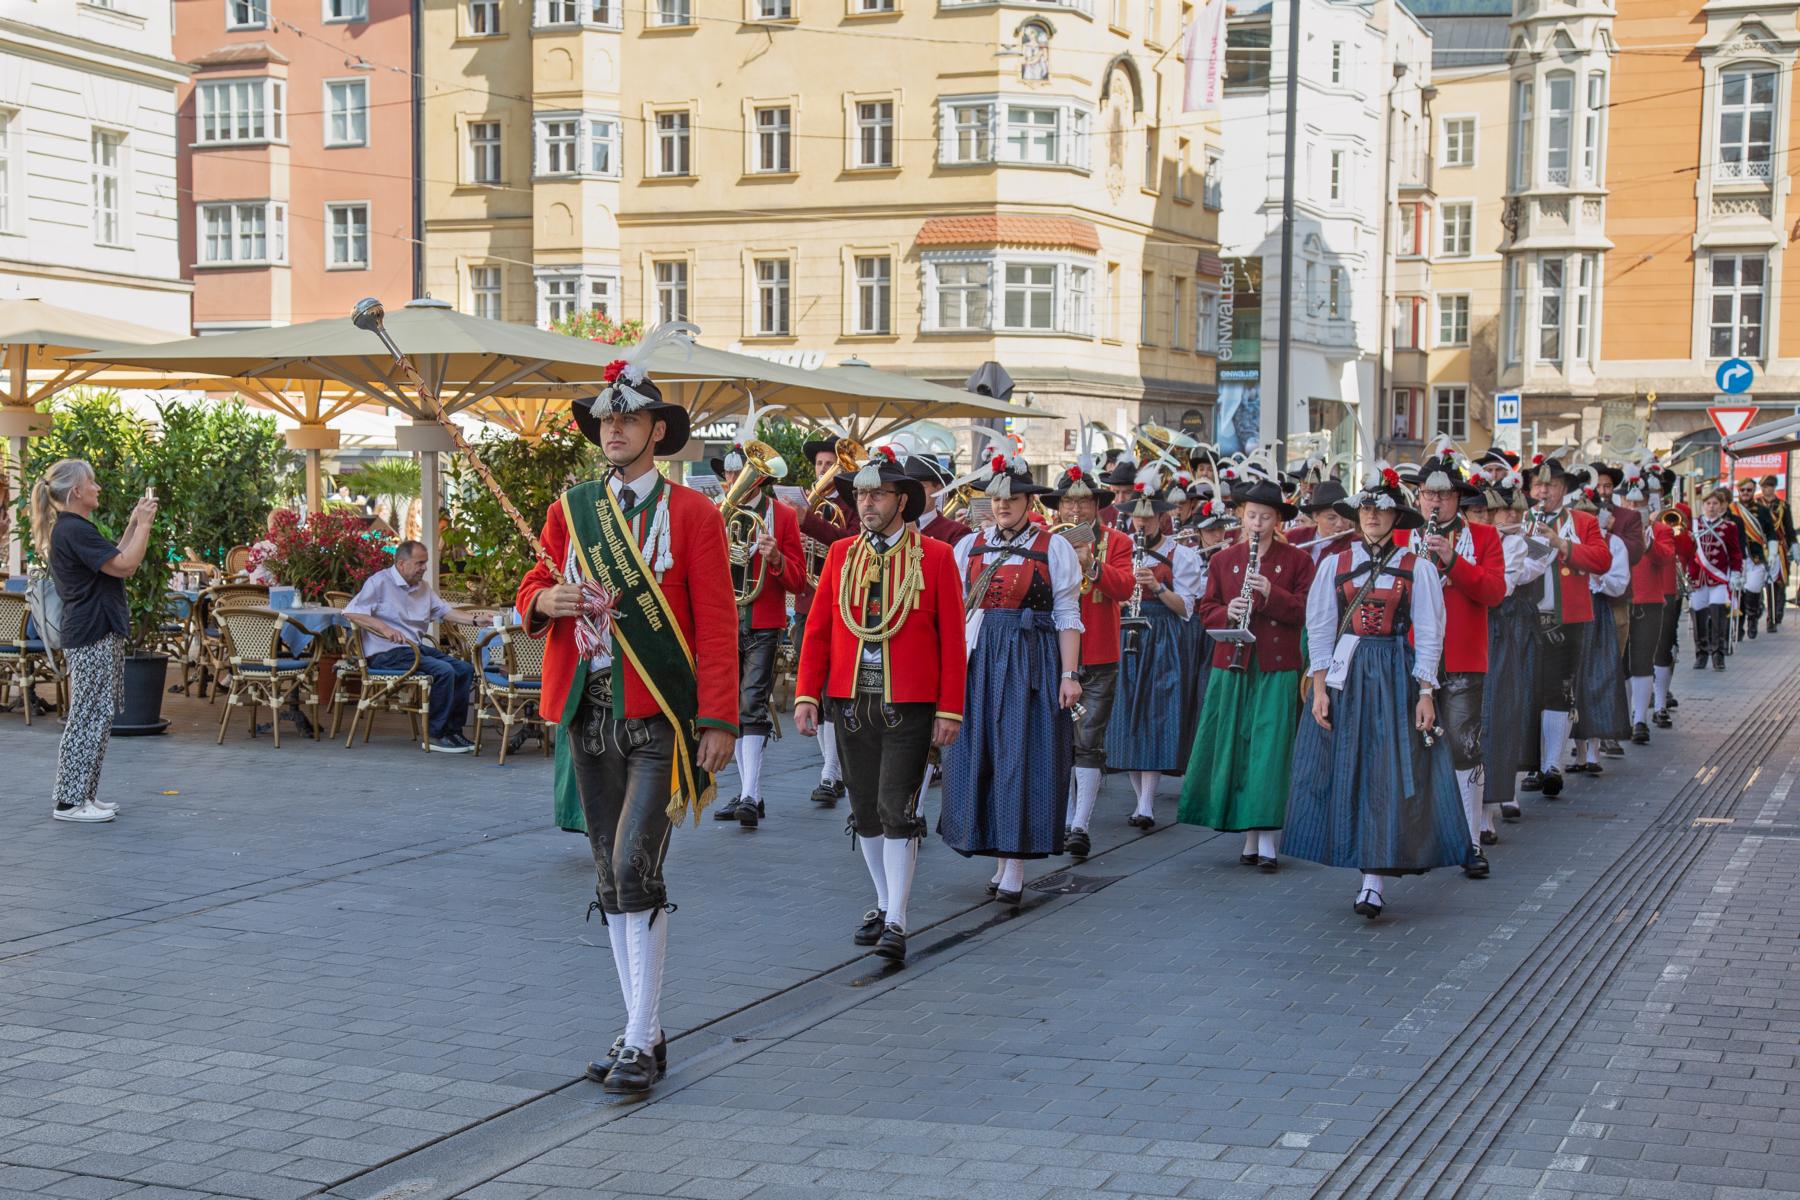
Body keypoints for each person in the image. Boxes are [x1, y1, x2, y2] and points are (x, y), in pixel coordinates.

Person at [517, 331, 738, 1096]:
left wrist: (720, 719)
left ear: (655, 432)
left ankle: (640, 1038)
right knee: (610, 880)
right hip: (591, 711)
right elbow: (529, 588)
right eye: (605, 420)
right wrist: (546, 599)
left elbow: (716, 625)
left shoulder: (695, 515)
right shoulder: (570, 511)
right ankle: (641, 1028)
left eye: (629, 418)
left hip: (660, 720)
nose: (614, 429)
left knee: (634, 867)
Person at [794, 450, 966, 965]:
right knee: (864, 811)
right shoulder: (843, 553)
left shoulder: (934, 556)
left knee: (897, 810)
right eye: (861, 495)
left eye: (877, 494)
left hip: (910, 702)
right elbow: (819, 628)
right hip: (849, 698)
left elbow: (953, 641)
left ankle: (897, 920)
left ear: (902, 500)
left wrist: (949, 709)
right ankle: (885, 901)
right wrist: (806, 693)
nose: (865, 502)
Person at [1284, 469, 1465, 919]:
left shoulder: (1416, 567)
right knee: (1349, 767)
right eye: (1365, 510)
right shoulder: (1334, 564)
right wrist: (1320, 685)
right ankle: (1361, 866)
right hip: (1347, 678)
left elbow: (1429, 631)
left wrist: (1426, 691)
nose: (1371, 517)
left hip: (1392, 676)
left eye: (1380, 510)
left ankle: (1374, 882)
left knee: (1386, 772)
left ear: (1393, 516)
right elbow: (1321, 627)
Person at [938, 453, 1084, 905]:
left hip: (1029, 660)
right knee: (980, 754)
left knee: (1021, 756)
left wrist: (1069, 674)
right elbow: (953, 612)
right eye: (996, 497)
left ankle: (1015, 864)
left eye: (1012, 498)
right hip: (979, 659)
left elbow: (1067, 614)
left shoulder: (1052, 547)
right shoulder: (968, 547)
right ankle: (998, 855)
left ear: (1027, 501)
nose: (1002, 505)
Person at [1176, 478, 1315, 870]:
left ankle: (1267, 840)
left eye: (1265, 517)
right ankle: (1248, 838)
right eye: (1251, 515)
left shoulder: (1298, 562)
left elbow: (1306, 611)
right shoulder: (1223, 560)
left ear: (1278, 520)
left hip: (1276, 666)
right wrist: (1229, 612)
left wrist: (1271, 592)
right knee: (1236, 748)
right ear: (1240, 516)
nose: (1257, 523)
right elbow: (1207, 610)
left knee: (1269, 751)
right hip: (1233, 664)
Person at [33, 459, 156, 824]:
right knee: (87, 714)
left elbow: (113, 558)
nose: (98, 488)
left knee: (97, 714)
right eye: (92, 482)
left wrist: (134, 523)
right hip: (91, 631)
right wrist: (145, 525)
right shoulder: (73, 530)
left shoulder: (74, 528)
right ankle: (70, 802)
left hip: (94, 628)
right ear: (76, 492)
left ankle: (84, 794)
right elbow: (126, 565)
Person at [1401, 455, 1505, 878]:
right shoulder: (1403, 536)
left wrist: (1453, 562)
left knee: (1464, 747)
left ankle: (1469, 840)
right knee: (1413, 747)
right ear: (1419, 497)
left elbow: (1495, 592)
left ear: (1458, 498)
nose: (1436, 503)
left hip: (1462, 656)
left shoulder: (1483, 536)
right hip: (1412, 657)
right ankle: (1418, 838)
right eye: (1429, 494)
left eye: (1444, 495)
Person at [710, 443, 805, 828]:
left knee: (751, 701)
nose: (731, 481)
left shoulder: (781, 516)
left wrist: (777, 558)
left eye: (739, 474)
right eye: (729, 475)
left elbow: (798, 579)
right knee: (732, 706)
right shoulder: (717, 515)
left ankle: (750, 793)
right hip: (725, 620)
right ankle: (753, 793)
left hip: (763, 620)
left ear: (759, 477)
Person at [1103, 474, 1202, 831]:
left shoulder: (1183, 554)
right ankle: (1140, 799)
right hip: (1125, 631)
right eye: (1136, 517)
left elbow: (1186, 609)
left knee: (1157, 712)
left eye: (1148, 516)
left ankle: (1147, 802)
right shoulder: (1120, 547)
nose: (1141, 523)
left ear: (1162, 517)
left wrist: (1157, 587)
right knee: (1127, 712)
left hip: (1161, 633)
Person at [1048, 459, 1135, 860]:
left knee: (1089, 740)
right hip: (1053, 651)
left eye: (1084, 503)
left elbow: (1125, 588)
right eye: (1068, 503)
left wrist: (1091, 564)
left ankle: (1080, 824)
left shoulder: (1117, 541)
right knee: (1059, 740)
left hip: (1099, 652)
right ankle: (1063, 819)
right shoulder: (1046, 540)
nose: (1076, 511)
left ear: (1097, 506)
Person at [1519, 457, 1613, 799]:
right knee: (1527, 691)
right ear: (1529, 490)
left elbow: (1602, 561)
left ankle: (1552, 765)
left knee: (1559, 691)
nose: (1544, 491)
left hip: (1567, 618)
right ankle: (1530, 763)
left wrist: (1561, 544)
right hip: (1524, 619)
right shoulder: (1518, 520)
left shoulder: (1582, 521)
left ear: (1564, 490)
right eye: (1539, 485)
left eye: (1552, 485)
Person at [341, 542, 482, 752]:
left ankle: (453, 732)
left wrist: (477, 620)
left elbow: (445, 611)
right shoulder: (379, 582)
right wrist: (384, 628)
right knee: (444, 671)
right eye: (420, 563)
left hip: (413, 648)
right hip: (385, 653)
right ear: (401, 564)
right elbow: (350, 613)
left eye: (425, 562)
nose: (424, 567)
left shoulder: (423, 587)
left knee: (464, 669)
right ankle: (435, 734)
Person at [1472, 472, 1550, 830]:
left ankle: (1496, 803)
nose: (1509, 518)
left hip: (1505, 628)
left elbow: (1510, 582)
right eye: (1500, 511)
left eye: (1515, 511)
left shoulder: (1522, 543)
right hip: (1469, 629)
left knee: (1501, 712)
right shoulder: (1469, 536)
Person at [791, 435, 854, 810]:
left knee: (832, 691)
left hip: (841, 607)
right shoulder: (802, 503)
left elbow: (848, 544)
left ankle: (831, 770)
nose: (825, 472)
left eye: (833, 465)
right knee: (809, 688)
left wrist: (809, 523)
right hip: (807, 602)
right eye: (820, 465)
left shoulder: (854, 505)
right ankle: (831, 764)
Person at [1569, 514, 1631, 775]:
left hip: (1596, 610)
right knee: (1572, 682)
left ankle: (1593, 752)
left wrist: (1596, 578)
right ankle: (1579, 753)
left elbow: (1619, 583)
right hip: (1569, 610)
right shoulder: (1564, 536)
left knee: (1597, 679)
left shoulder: (1612, 542)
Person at [1690, 489, 1742, 671]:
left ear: (1721, 507)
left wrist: (1736, 572)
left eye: (1715, 504)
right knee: (1698, 615)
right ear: (1703, 505)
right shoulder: (1694, 525)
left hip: (1718, 578)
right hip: (1698, 577)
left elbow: (1735, 552)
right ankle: (1701, 654)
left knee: (1719, 615)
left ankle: (1718, 655)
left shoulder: (1729, 527)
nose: (1711, 507)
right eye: (1708, 503)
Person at [1732, 478, 1773, 642]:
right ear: (1739, 491)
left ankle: (1752, 620)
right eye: (1743, 490)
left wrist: (1773, 554)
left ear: (1753, 490)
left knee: (1753, 591)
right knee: (1739, 593)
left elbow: (1770, 533)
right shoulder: (1732, 509)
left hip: (1755, 558)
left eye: (1749, 490)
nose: (1746, 493)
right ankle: (1739, 626)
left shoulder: (1762, 511)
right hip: (1738, 557)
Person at [1758, 474, 1793, 629]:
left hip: (1779, 548)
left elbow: (1789, 529)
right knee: (1758, 582)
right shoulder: (1755, 505)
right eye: (1765, 486)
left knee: (1779, 583)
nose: (1768, 489)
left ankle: (1775, 615)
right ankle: (1757, 609)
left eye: (1771, 486)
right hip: (1760, 547)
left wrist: (1794, 546)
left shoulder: (1783, 506)